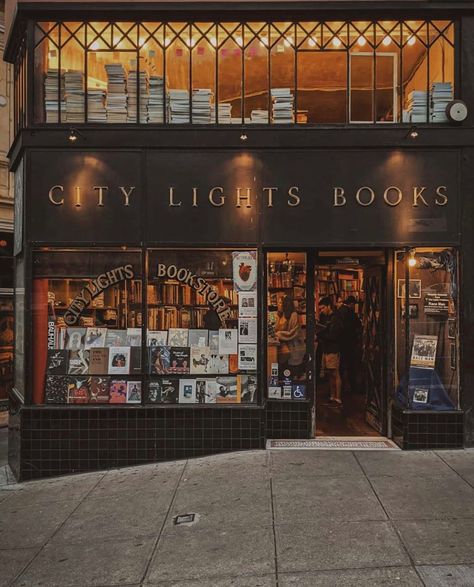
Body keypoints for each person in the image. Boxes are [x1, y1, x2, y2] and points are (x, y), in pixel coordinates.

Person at [318, 297, 344, 404]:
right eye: (320, 309)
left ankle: (338, 398)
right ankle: (332, 396)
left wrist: (321, 333)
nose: (321, 310)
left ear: (329, 306)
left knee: (335, 373)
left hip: (333, 349)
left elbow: (334, 336)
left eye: (323, 308)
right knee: (329, 373)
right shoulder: (324, 317)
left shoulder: (335, 319)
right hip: (326, 348)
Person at [336, 295, 362, 395]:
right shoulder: (351, 313)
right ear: (351, 304)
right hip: (350, 343)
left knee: (341, 365)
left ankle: (341, 386)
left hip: (341, 343)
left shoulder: (339, 311)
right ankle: (352, 386)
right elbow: (358, 326)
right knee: (352, 365)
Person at [274, 295, 306, 378]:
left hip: (293, 349)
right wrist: (278, 315)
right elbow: (275, 329)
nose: (278, 304)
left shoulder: (294, 315)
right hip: (283, 350)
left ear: (286, 304)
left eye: (281, 302)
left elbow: (292, 333)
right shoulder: (282, 315)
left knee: (293, 374)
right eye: (278, 302)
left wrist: (279, 334)